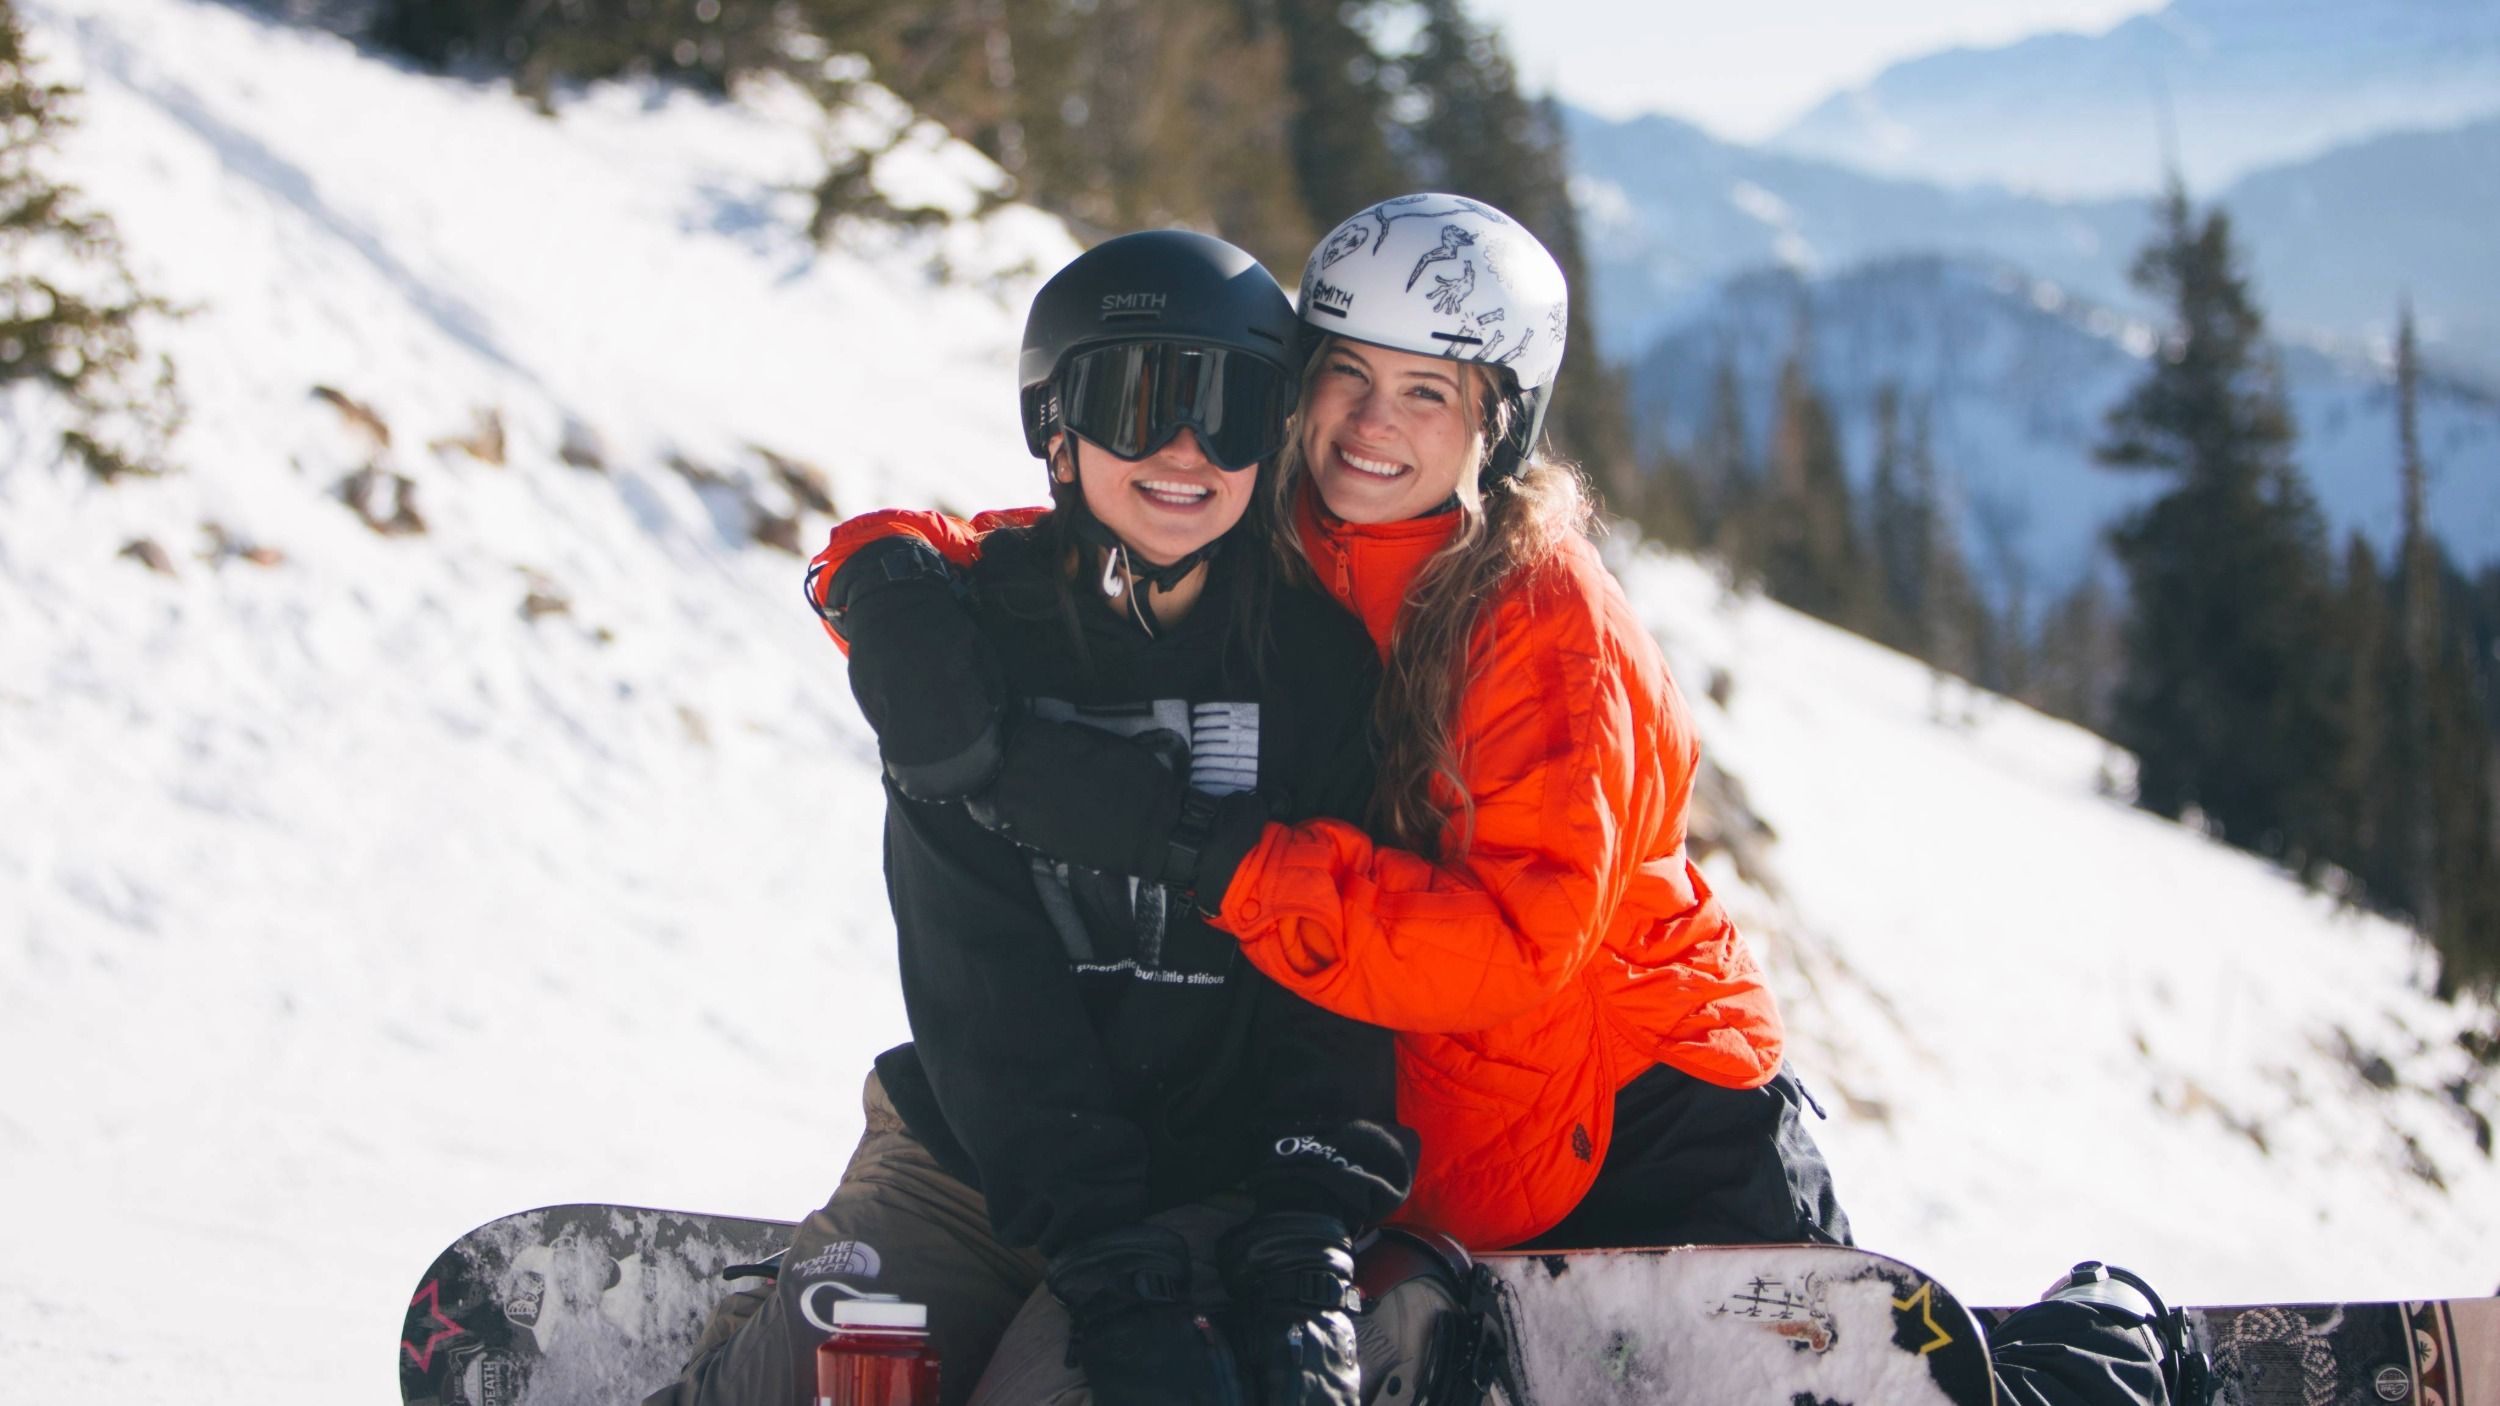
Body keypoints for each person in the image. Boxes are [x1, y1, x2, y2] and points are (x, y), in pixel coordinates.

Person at [806, 195, 2193, 1406]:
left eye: (1430, 392)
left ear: (1497, 420)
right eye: (1345, 375)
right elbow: (1073, 523)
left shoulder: (1543, 624)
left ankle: (2097, 1351)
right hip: (1456, 1147)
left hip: (1646, 1122)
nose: (1371, 424)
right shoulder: (1289, 526)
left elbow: (1509, 944)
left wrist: (1200, 847)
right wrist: (886, 576)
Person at [647, 229, 1415, 1406]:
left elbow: (1342, 967)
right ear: (1054, 428)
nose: (1184, 449)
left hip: (1204, 1182)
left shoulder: (1316, 664)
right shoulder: (962, 645)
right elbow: (979, 982)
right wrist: (1100, 1249)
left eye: (1232, 410)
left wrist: (1306, 1223)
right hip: (970, 1157)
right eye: (1134, 400)